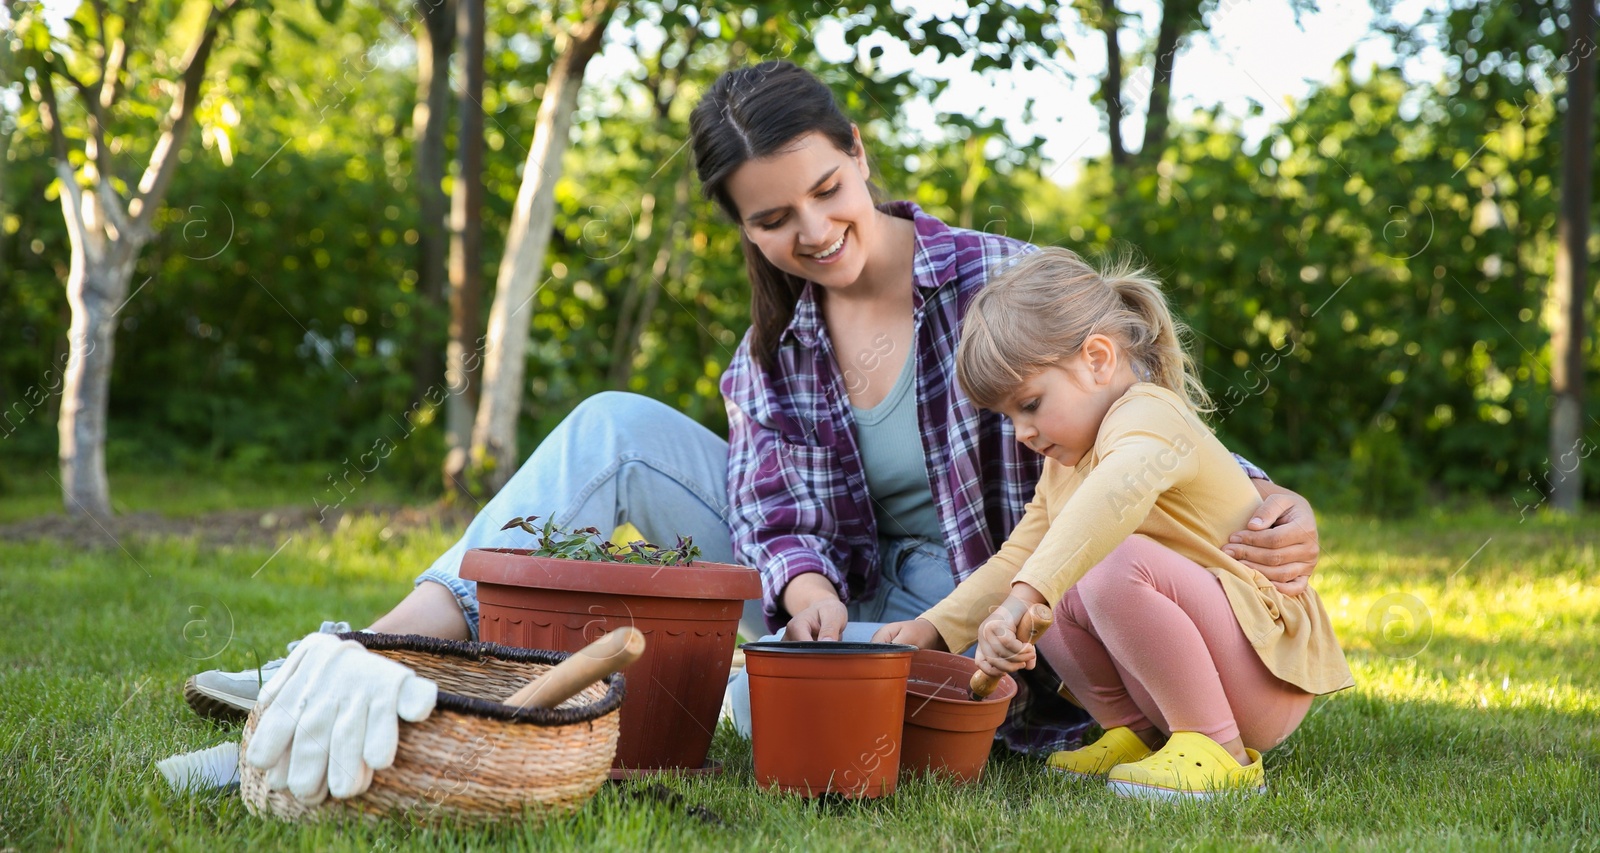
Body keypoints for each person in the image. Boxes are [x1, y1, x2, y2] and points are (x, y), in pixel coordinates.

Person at [187, 60, 1324, 801]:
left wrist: (1281, 505)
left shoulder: (998, 280)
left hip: (984, 614)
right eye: (774, 220)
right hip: (853, 611)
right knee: (609, 430)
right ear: (741, 226)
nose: (817, 230)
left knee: (730, 706)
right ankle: (370, 654)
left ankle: (417, 687)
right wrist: (797, 582)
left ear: (859, 155)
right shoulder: (770, 353)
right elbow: (773, 512)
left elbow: (1142, 429)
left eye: (828, 190)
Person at [871, 247, 1354, 800]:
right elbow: (1018, 558)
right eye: (1008, 417)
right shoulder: (1064, 463)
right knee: (1049, 578)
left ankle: (1220, 753)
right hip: (1196, 678)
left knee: (1101, 563)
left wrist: (1021, 597)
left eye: (1029, 404)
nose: (1021, 432)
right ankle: (1137, 733)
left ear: (1098, 358)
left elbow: (1111, 499)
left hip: (1265, 673)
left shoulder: (1149, 413)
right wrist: (931, 629)